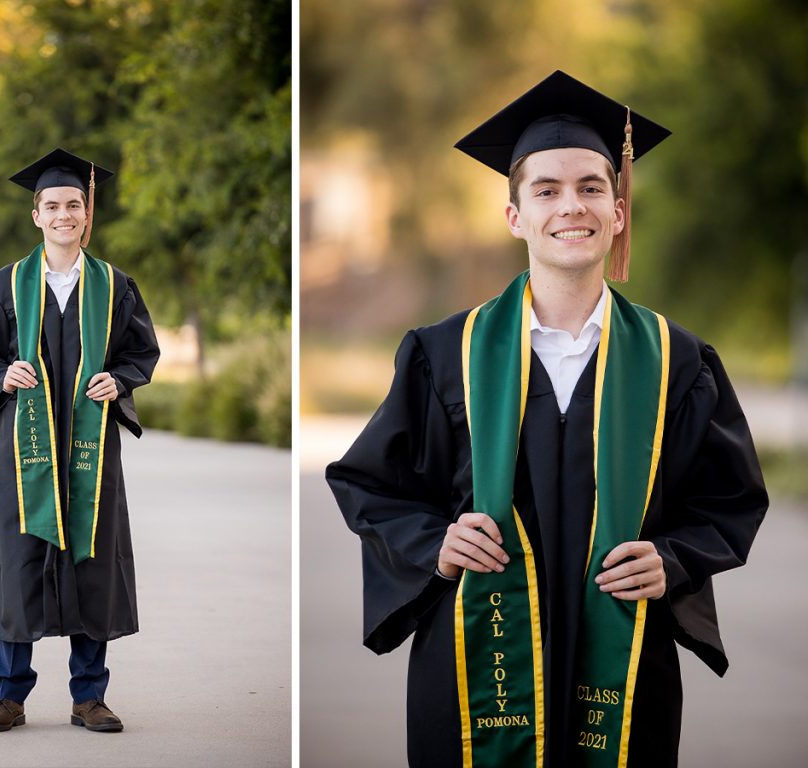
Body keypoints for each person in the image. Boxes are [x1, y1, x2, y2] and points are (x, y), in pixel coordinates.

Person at [326, 71, 768, 767]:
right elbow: (369, 485)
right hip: (475, 665)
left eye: (593, 187)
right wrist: (434, 542)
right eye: (547, 190)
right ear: (515, 217)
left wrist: (674, 558)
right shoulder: (444, 355)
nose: (573, 206)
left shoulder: (676, 362)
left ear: (619, 211)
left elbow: (730, 499)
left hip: (625, 668)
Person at [0, 147, 159, 733]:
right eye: (52, 205)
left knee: (90, 559)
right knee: (21, 563)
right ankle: (9, 696)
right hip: (24, 450)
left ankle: (89, 696)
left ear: (86, 214)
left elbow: (143, 353)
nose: (64, 214)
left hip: (92, 453)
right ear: (35, 215)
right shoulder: (4, 284)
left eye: (74, 204)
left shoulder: (115, 285)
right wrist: (1, 374)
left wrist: (118, 379)